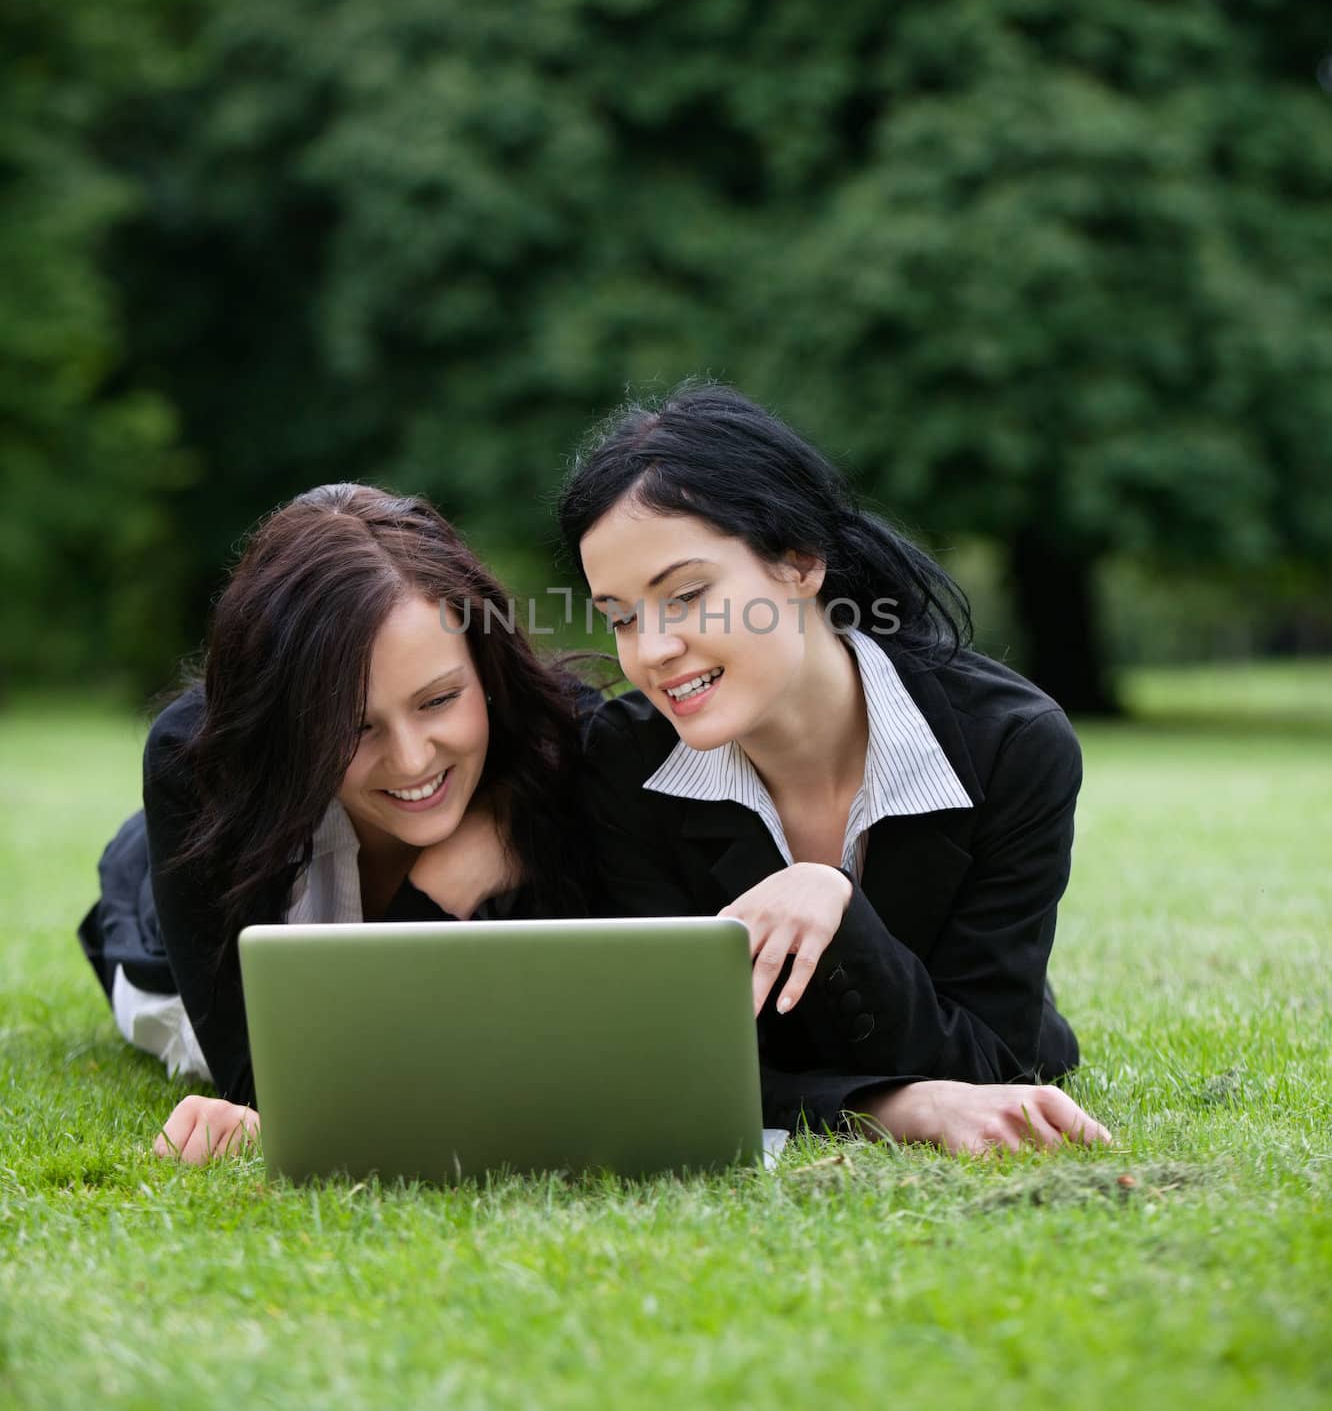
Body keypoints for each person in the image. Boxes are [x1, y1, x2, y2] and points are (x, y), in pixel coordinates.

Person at [562, 384, 1111, 1158]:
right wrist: (896, 1111)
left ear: (800, 560)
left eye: (686, 596)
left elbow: (990, 1065)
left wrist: (834, 902)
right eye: (620, 616)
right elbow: (671, 1063)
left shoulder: (1011, 748)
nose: (650, 651)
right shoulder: (624, 763)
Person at [79, 483, 593, 1163]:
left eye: (439, 699)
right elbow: (268, 1085)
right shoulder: (197, 766)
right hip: (186, 876)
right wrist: (441, 888)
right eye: (353, 726)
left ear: (487, 666)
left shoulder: (564, 741)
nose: (412, 759)